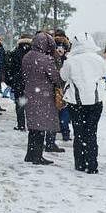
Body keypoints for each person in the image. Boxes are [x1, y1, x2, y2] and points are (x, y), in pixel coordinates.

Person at [61, 34, 106, 173]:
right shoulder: (98, 59)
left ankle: (80, 163)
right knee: (91, 133)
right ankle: (92, 164)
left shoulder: (71, 61)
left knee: (78, 133)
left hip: (75, 102)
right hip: (95, 101)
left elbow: (63, 76)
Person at [22, 31, 63, 165]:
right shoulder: (46, 59)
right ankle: (37, 156)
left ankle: (30, 154)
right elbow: (56, 78)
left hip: (29, 93)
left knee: (33, 126)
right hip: (43, 96)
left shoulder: (27, 56)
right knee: (40, 126)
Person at [5, 34, 31, 130]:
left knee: (20, 104)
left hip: (18, 82)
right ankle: (31, 124)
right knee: (31, 104)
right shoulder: (33, 52)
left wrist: (10, 82)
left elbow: (9, 68)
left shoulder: (15, 52)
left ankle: (21, 124)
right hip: (31, 82)